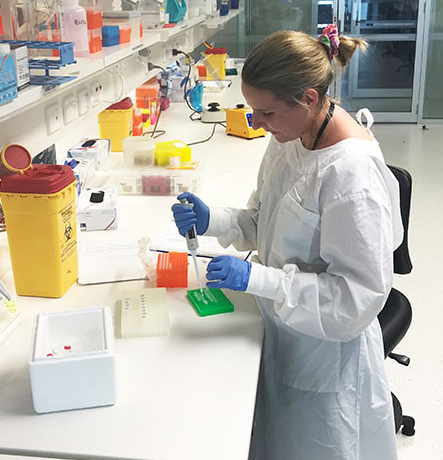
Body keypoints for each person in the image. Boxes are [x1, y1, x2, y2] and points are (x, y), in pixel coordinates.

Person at [171, 25, 403, 460]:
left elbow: (356, 299)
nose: (258, 124)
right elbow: (269, 219)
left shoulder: (352, 177)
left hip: (323, 352)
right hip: (280, 327)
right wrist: (214, 220)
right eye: (253, 110)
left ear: (310, 98)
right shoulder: (293, 135)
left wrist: (261, 279)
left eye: (267, 113)